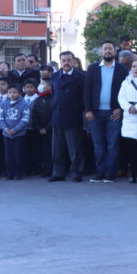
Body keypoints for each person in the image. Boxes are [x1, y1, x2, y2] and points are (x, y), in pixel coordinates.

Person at [83, 41, 129, 183]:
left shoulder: (122, 69)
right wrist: (88, 110)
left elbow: (127, 90)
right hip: (95, 113)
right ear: (101, 52)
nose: (107, 51)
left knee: (112, 144)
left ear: (114, 51)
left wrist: (120, 108)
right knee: (98, 144)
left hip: (113, 113)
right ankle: (100, 172)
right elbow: (87, 91)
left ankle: (111, 173)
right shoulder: (93, 68)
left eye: (110, 48)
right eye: (105, 49)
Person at [49, 51, 86, 182]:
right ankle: (58, 172)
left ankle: (77, 172)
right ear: (60, 62)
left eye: (68, 60)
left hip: (73, 116)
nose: (66, 63)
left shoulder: (81, 76)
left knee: (74, 148)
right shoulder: (54, 76)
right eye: (63, 60)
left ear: (73, 60)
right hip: (57, 115)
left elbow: (85, 97)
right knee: (57, 148)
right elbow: (53, 95)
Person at [0, 83, 29, 180]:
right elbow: (0, 118)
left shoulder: (24, 104)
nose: (12, 94)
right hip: (6, 134)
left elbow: (25, 119)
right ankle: (9, 172)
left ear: (19, 93)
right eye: (10, 92)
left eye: (15, 92)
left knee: (18, 154)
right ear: (7, 93)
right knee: (9, 154)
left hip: (19, 134)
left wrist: (15, 129)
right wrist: (5, 128)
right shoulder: (3, 104)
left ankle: (18, 172)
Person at [31, 79, 53, 177]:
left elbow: (54, 115)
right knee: (41, 150)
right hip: (39, 129)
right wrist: (38, 127)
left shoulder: (53, 98)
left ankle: (51, 169)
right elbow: (34, 115)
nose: (41, 86)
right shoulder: (37, 100)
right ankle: (42, 168)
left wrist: (47, 128)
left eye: (43, 84)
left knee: (50, 150)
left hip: (51, 130)